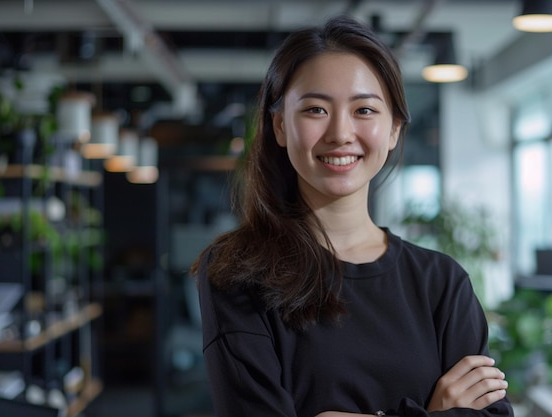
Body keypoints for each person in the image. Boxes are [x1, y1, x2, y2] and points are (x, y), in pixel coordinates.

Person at [191, 15, 514, 417]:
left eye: (364, 110)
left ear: (394, 128)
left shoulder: (441, 283)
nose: (341, 133)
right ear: (279, 126)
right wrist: (432, 412)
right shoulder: (236, 272)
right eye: (315, 110)